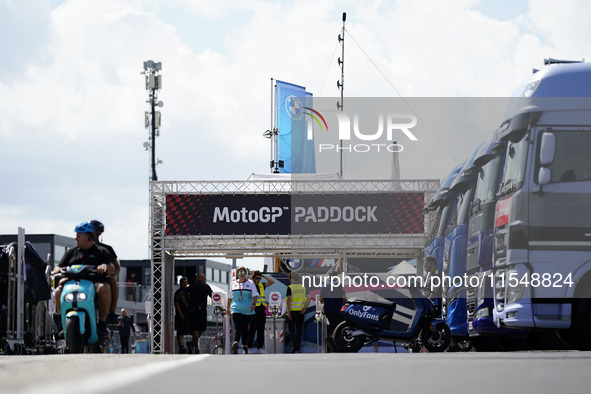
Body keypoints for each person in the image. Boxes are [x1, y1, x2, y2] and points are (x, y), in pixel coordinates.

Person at [52, 222, 115, 346]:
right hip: (72, 284)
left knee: (104, 288)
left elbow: (112, 267)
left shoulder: (101, 251)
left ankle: (102, 326)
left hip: (93, 283)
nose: (76, 238)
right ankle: (62, 323)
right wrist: (56, 270)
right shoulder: (71, 252)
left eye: (79, 235)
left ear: (88, 237)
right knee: (58, 291)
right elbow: (58, 266)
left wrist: (105, 267)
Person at [90, 220, 121, 324]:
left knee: (112, 281)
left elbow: (116, 266)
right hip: (84, 279)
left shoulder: (107, 249)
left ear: (99, 233)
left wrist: (112, 273)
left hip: (101, 279)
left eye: (92, 230)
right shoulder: (80, 249)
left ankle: (112, 313)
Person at [227, 266, 258, 354]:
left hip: (248, 310)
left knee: (245, 328)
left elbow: (255, 295)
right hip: (235, 308)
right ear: (237, 274)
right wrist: (228, 308)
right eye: (240, 272)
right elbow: (229, 297)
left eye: (243, 272)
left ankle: (244, 347)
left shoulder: (250, 283)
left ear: (246, 273)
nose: (241, 274)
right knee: (238, 326)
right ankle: (236, 343)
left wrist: (254, 304)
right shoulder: (233, 283)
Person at [247, 270, 275, 354]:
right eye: (257, 278)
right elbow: (246, 283)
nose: (259, 280)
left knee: (261, 330)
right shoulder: (250, 285)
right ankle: (249, 348)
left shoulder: (261, 285)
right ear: (253, 278)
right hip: (254, 310)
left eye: (259, 278)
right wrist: (252, 276)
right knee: (252, 330)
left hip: (262, 310)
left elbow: (272, 281)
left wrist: (263, 276)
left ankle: (260, 348)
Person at [186, 273, 212, 354]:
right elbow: (213, 296)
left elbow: (183, 293)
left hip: (193, 310)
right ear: (203, 279)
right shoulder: (206, 286)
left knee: (196, 329)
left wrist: (187, 304)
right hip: (201, 310)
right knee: (200, 328)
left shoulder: (192, 285)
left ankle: (192, 343)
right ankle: (197, 348)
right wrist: (219, 306)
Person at [319, 272, 346, 350]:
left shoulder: (324, 285)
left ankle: (328, 347)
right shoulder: (339, 285)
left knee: (329, 328)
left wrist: (328, 301)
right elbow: (344, 297)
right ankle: (332, 341)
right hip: (337, 310)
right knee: (339, 327)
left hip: (327, 310)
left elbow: (321, 299)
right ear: (336, 277)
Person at [285, 271, 311, 353]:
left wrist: (288, 312)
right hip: (301, 312)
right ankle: (298, 348)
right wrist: (305, 307)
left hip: (292, 312)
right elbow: (309, 298)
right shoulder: (303, 287)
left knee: (291, 330)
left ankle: (295, 347)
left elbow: (289, 299)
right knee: (299, 331)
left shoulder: (290, 287)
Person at [174, 276, 190, 354]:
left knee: (186, 331)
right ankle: (181, 347)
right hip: (180, 315)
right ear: (180, 283)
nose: (185, 284)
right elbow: (176, 303)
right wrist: (180, 313)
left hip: (188, 314)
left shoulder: (189, 292)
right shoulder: (178, 292)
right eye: (183, 282)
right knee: (180, 331)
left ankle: (190, 344)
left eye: (186, 282)